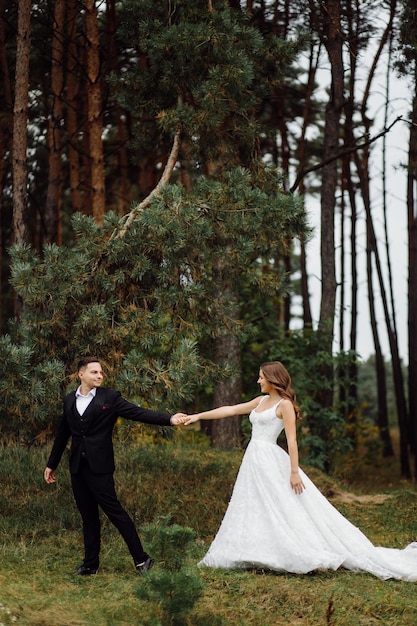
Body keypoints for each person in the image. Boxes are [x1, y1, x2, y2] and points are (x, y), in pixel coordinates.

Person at [184, 361, 417, 581]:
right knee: (253, 502)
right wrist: (198, 415)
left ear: (273, 380)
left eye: (261, 377)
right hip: (253, 459)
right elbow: (231, 410)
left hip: (270, 458)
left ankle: (294, 549)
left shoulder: (284, 405)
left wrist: (294, 472)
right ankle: (251, 549)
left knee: (281, 503)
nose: (258, 381)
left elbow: (292, 441)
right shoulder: (259, 401)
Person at [44, 356, 187, 576]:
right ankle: (90, 565)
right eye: (94, 372)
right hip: (77, 468)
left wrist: (169, 419)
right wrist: (51, 464)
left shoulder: (110, 398)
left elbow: (139, 413)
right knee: (88, 517)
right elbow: (63, 433)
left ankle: (142, 560)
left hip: (100, 467)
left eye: (101, 372)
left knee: (115, 512)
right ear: (81, 374)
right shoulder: (69, 400)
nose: (99, 376)